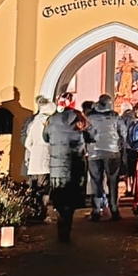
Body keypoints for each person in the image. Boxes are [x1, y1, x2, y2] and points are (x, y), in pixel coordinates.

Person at [43, 99, 89, 242]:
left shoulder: (52, 119)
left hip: (57, 165)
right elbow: (93, 136)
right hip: (75, 164)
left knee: (59, 196)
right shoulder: (80, 118)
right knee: (71, 197)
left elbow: (45, 137)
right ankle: (67, 226)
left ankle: (61, 225)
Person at [87, 93, 127, 221]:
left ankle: (96, 210)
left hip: (94, 153)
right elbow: (123, 133)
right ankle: (114, 209)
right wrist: (121, 146)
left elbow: (86, 133)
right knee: (113, 181)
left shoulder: (90, 117)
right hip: (112, 152)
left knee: (96, 182)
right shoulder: (115, 116)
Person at [20, 96, 53, 220]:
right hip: (46, 160)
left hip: (33, 161)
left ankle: (34, 213)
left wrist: (33, 151)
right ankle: (43, 213)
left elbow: (27, 142)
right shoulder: (49, 123)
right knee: (45, 189)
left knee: (34, 188)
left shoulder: (32, 122)